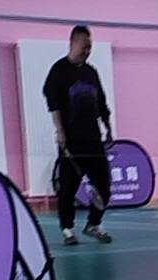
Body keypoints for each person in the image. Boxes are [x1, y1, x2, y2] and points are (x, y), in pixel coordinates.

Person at [44, 25, 113, 245]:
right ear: (73, 43)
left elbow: (101, 103)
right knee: (68, 188)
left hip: (93, 140)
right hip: (71, 141)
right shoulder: (59, 71)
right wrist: (60, 132)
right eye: (84, 47)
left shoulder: (91, 72)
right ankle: (67, 229)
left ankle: (94, 224)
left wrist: (108, 128)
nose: (87, 51)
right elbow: (53, 104)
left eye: (90, 48)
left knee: (104, 185)